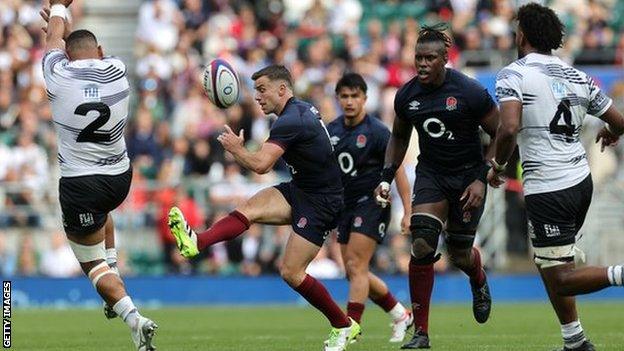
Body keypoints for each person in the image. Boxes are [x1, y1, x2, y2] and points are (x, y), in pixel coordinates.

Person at [168, 64, 360, 351]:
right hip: (303, 189)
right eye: (255, 89)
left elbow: (261, 165)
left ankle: (343, 326)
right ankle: (197, 242)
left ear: (282, 89)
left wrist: (235, 149)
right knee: (249, 208)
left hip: (322, 202)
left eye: (262, 89)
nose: (257, 96)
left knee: (291, 272)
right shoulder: (300, 110)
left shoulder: (290, 120)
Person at [490, 4, 624, 351]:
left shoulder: (513, 75)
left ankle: (619, 274)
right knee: (553, 261)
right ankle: (574, 340)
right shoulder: (578, 76)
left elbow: (507, 128)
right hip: (581, 182)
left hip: (548, 187)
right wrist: (610, 131)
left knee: (560, 278)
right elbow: (620, 121)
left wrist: (496, 166)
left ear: (522, 35)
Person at [40, 1, 158, 350]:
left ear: (66, 56)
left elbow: (53, 45)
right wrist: (62, 26)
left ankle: (133, 318)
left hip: (80, 183)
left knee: (92, 267)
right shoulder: (118, 70)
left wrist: (58, 8)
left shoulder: (57, 76)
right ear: (101, 52)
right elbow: (71, 48)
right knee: (102, 215)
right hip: (119, 177)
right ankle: (114, 270)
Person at [375, 24, 500, 349]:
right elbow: (399, 137)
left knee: (459, 254)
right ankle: (422, 333)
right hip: (431, 175)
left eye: (430, 58)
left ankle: (478, 277)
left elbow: (502, 134)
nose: (422, 64)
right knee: (421, 244)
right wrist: (386, 177)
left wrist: (482, 176)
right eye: (418, 58)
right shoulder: (407, 95)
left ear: (446, 58)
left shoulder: (469, 91)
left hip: (468, 177)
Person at [326, 73, 413, 343]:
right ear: (338, 98)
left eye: (355, 96)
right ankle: (400, 313)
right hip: (344, 206)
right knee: (354, 271)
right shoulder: (332, 131)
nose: (350, 101)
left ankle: (350, 327)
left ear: (365, 98)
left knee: (356, 264)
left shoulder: (376, 132)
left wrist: (408, 211)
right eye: (345, 96)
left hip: (373, 202)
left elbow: (396, 169)